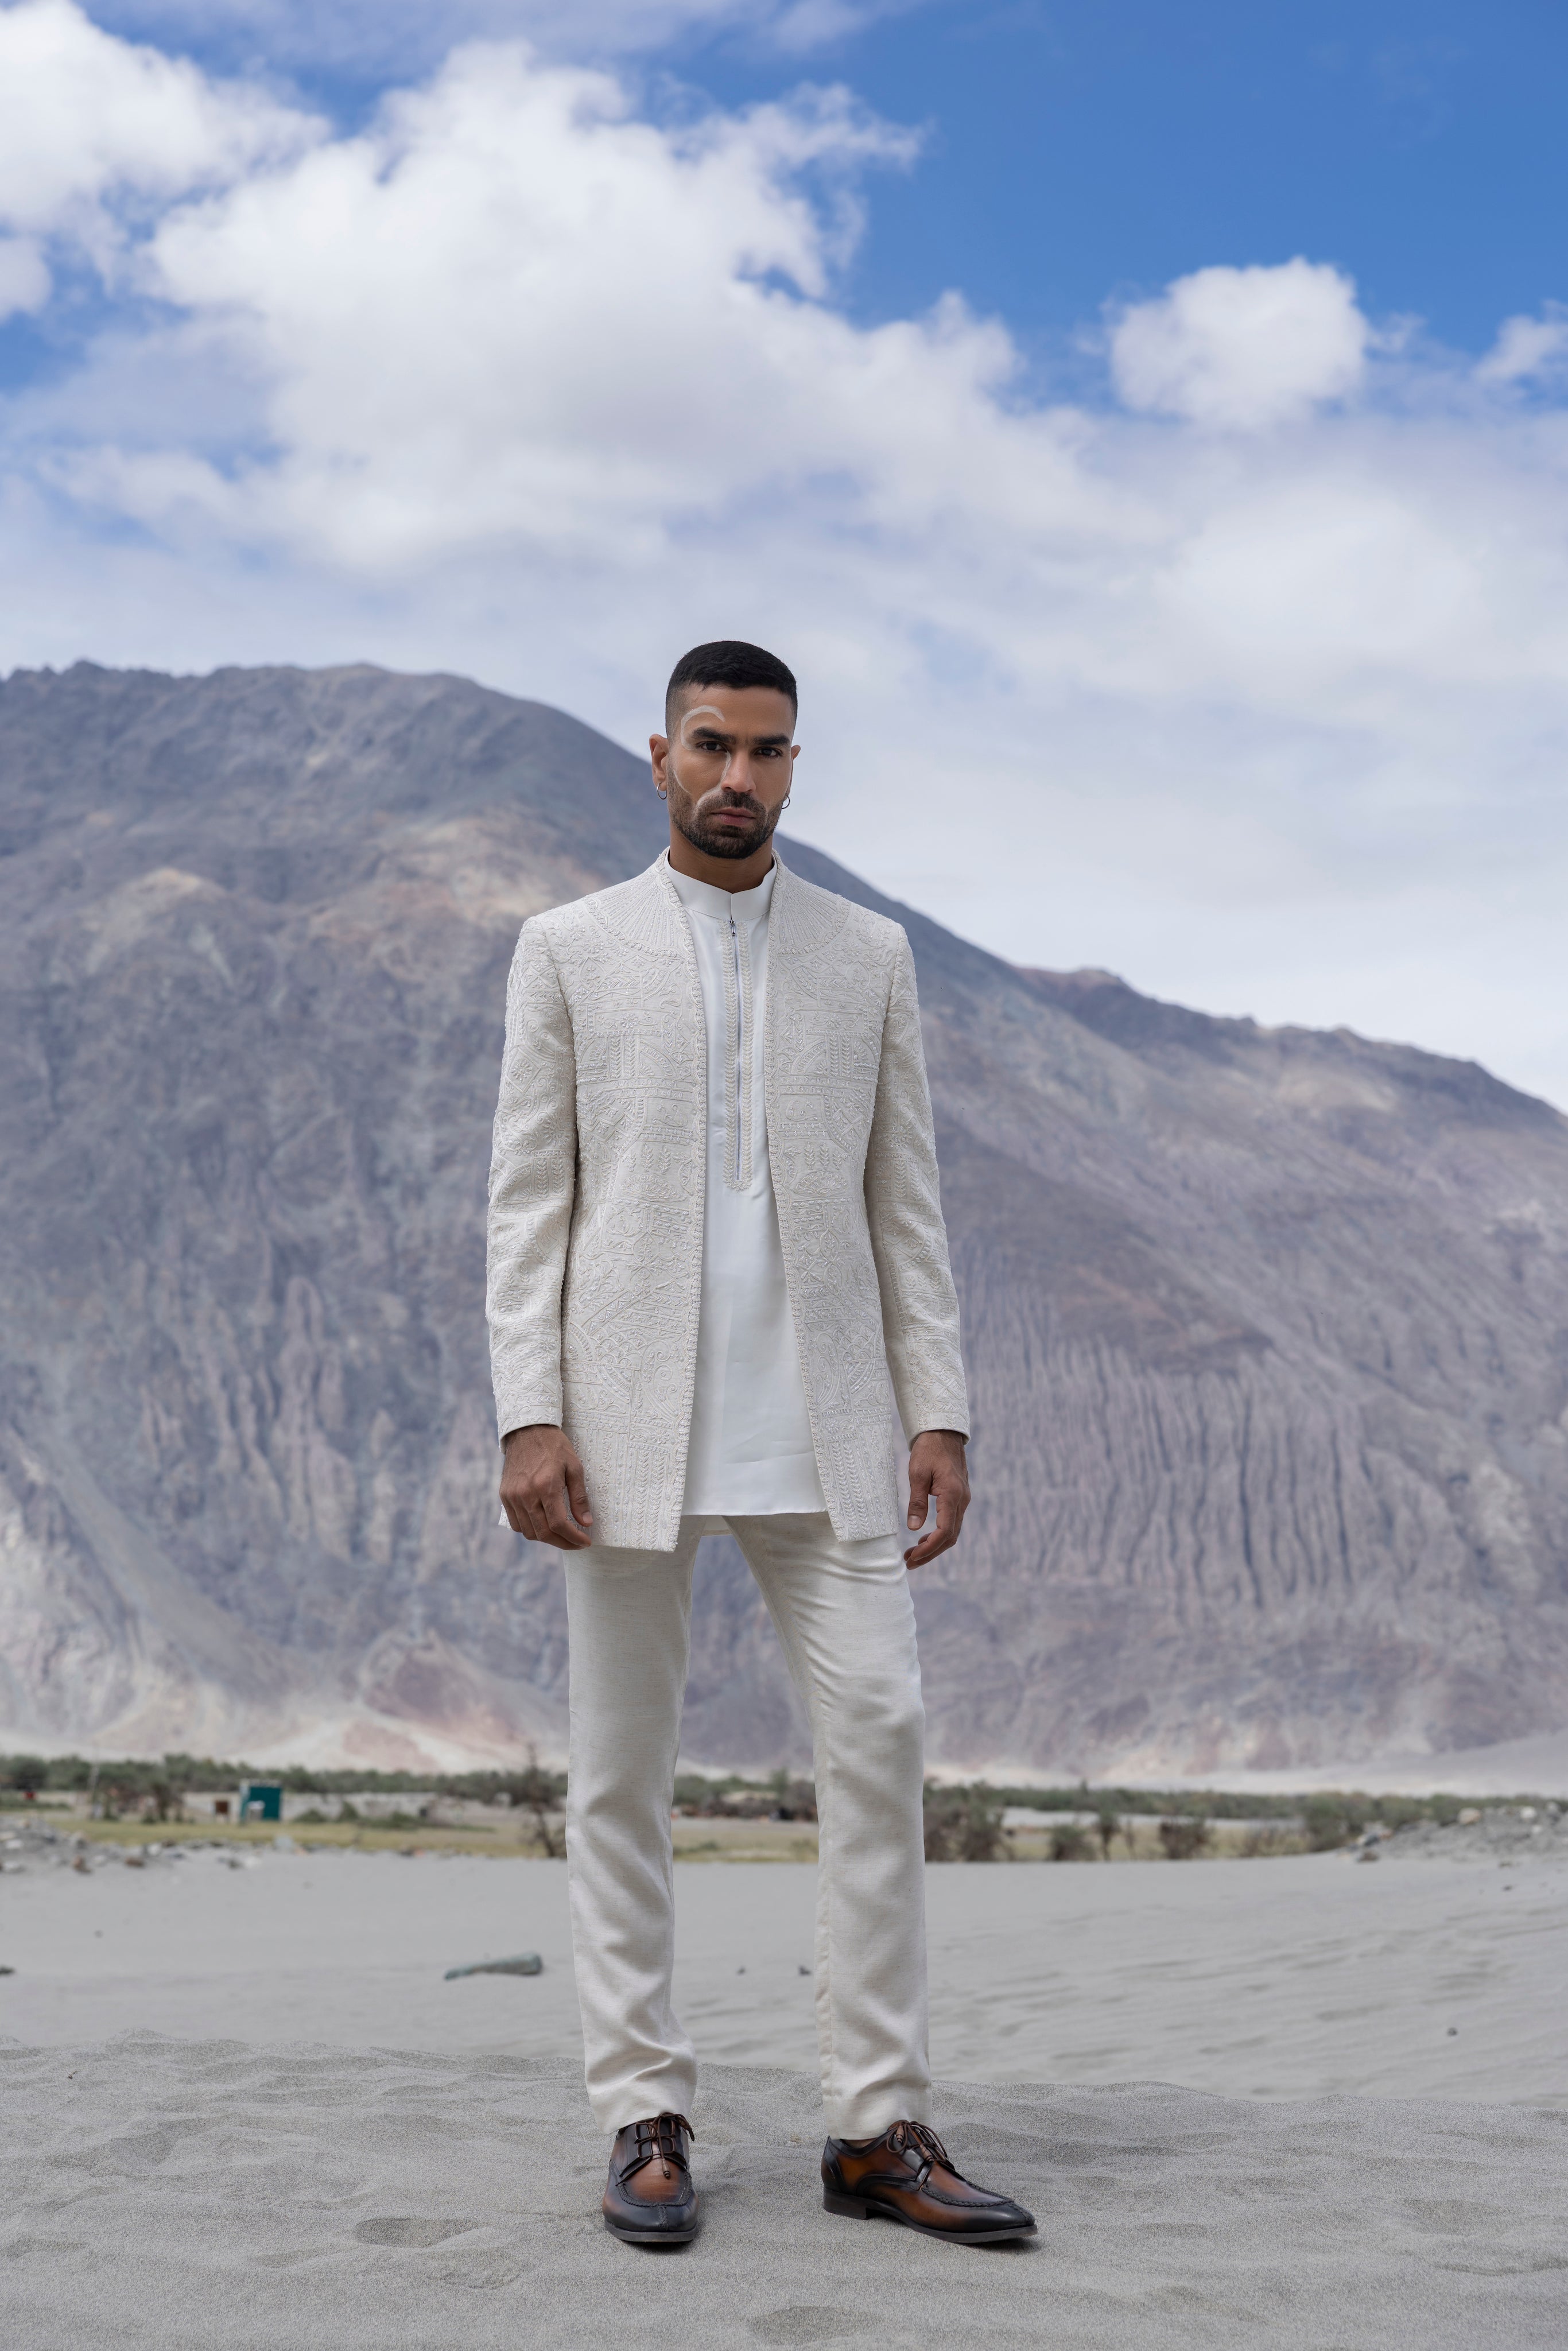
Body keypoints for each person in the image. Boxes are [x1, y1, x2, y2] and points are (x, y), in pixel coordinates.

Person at [486, 639, 1035, 2248]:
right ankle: (642, 2114)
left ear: (797, 767)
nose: (739, 777)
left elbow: (905, 1208)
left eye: (770, 752)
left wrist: (937, 1409)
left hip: (830, 1428)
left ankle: (874, 2128)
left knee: (879, 1745)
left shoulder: (869, 957)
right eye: (712, 746)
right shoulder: (568, 952)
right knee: (620, 1783)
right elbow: (529, 1206)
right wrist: (530, 1409)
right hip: (621, 1435)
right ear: (654, 756)